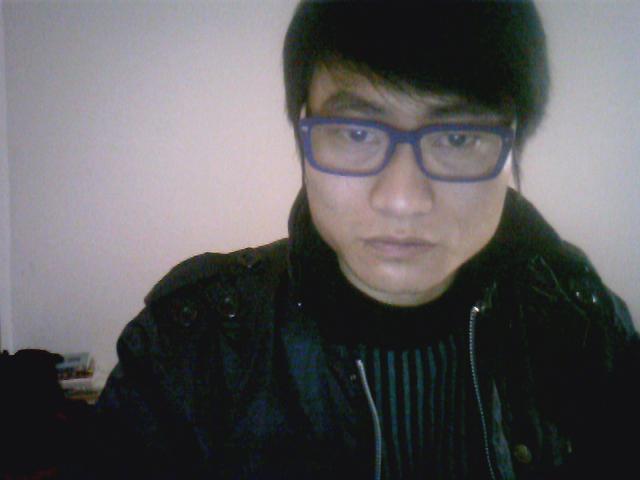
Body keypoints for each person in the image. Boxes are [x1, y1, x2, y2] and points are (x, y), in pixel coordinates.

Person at [93, 1, 640, 479]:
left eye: (457, 136)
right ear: (303, 132)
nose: (402, 199)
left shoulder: (585, 330)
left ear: (511, 144)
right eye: (357, 132)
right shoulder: (191, 351)